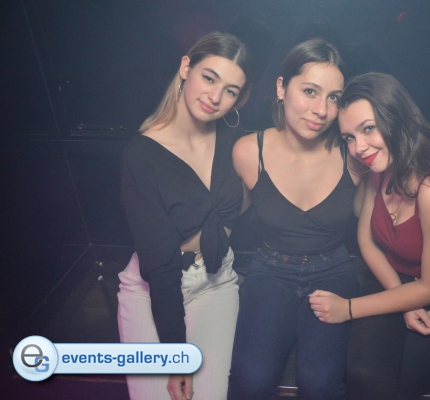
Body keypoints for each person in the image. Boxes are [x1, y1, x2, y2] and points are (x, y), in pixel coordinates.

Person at [309, 72, 430, 400]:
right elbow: (367, 242)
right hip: (390, 279)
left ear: (397, 120)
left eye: (368, 128)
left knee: (394, 386)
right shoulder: (378, 168)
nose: (359, 148)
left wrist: (347, 308)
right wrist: (401, 299)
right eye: (348, 137)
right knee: (363, 376)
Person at [117, 31, 253, 400]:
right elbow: (160, 267)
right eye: (209, 78)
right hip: (153, 290)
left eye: (230, 91)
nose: (215, 97)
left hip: (216, 282)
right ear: (185, 67)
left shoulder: (235, 140)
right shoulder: (141, 157)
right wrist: (176, 357)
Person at [227, 38, 365, 399]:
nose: (321, 110)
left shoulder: (353, 155)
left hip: (333, 270)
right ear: (281, 87)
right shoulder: (249, 151)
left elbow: (375, 230)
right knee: (251, 381)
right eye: (309, 91)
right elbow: (224, 220)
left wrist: (409, 292)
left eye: (334, 97)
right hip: (270, 270)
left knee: (320, 385)